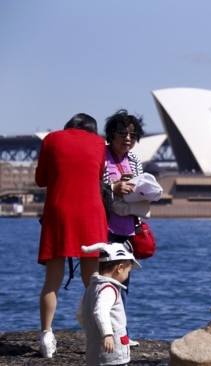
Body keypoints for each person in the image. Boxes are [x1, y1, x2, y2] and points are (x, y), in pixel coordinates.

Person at [35, 113, 108, 358]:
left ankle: (46, 335)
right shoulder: (99, 143)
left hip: (59, 211)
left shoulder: (51, 139)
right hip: (90, 212)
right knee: (93, 280)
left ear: (68, 127)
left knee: (52, 280)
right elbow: (98, 176)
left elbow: (40, 179)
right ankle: (98, 335)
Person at [103, 109, 145, 346]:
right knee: (105, 282)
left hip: (127, 227)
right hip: (104, 227)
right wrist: (113, 188)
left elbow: (141, 185)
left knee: (123, 283)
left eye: (132, 134)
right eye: (122, 133)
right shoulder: (102, 155)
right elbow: (93, 185)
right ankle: (104, 333)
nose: (127, 138)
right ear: (111, 134)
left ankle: (122, 335)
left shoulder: (135, 160)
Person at [78, 241, 142, 366]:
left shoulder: (92, 288)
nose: (127, 276)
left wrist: (92, 332)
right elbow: (100, 311)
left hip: (94, 352)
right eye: (128, 271)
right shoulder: (109, 289)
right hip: (112, 354)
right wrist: (107, 334)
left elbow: (80, 314)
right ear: (119, 268)